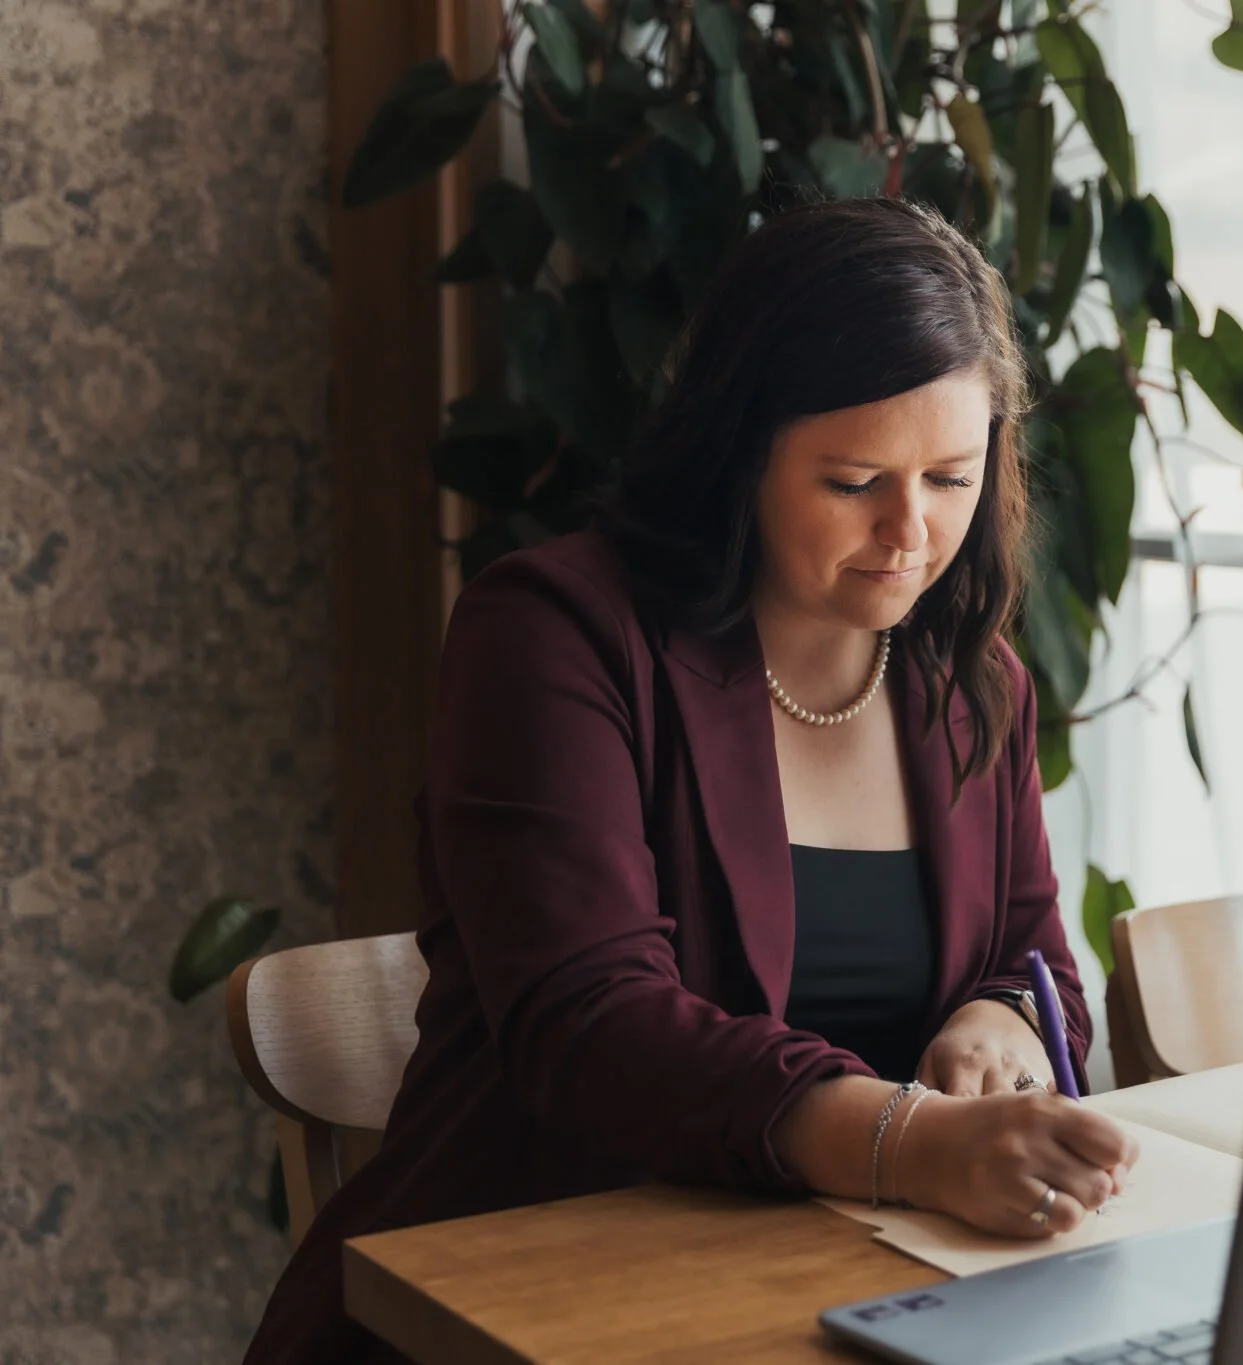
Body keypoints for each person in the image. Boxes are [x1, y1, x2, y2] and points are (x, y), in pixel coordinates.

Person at [243, 197, 1140, 1363]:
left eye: (950, 478)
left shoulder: (968, 678)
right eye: (853, 479)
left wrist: (999, 1022)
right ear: (739, 448)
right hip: (536, 1296)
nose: (909, 531)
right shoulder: (557, 636)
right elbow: (594, 1025)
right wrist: (911, 1142)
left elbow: (1033, 960)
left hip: (839, 1293)